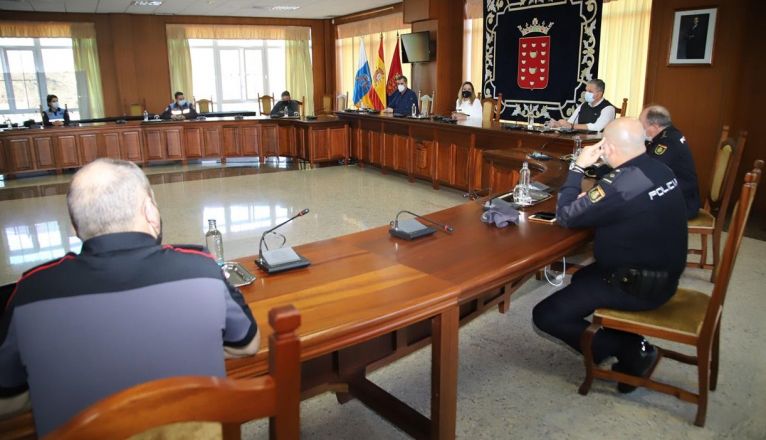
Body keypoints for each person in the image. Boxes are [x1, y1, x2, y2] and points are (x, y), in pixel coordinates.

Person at [0, 158, 259, 436]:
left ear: (75, 227)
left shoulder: (31, 291)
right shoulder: (201, 269)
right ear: (150, 211)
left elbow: (6, 401)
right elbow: (248, 344)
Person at [532, 118, 688, 394]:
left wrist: (578, 167)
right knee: (581, 279)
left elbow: (566, 215)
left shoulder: (622, 184)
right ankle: (621, 338)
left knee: (546, 315)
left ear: (609, 147)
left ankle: (631, 350)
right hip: (665, 273)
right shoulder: (659, 168)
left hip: (637, 285)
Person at [640, 105, 701, 219]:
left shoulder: (668, 142)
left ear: (655, 126)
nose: (640, 129)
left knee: (628, 207)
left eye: (642, 125)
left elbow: (649, 170)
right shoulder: (670, 133)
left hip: (682, 202)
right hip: (677, 193)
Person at [549, 79, 616, 132]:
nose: (586, 93)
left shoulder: (608, 108)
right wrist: (559, 125)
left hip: (597, 143)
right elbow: (571, 122)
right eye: (586, 91)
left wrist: (572, 126)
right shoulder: (583, 105)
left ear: (599, 94)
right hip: (580, 139)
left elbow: (597, 127)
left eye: (590, 91)